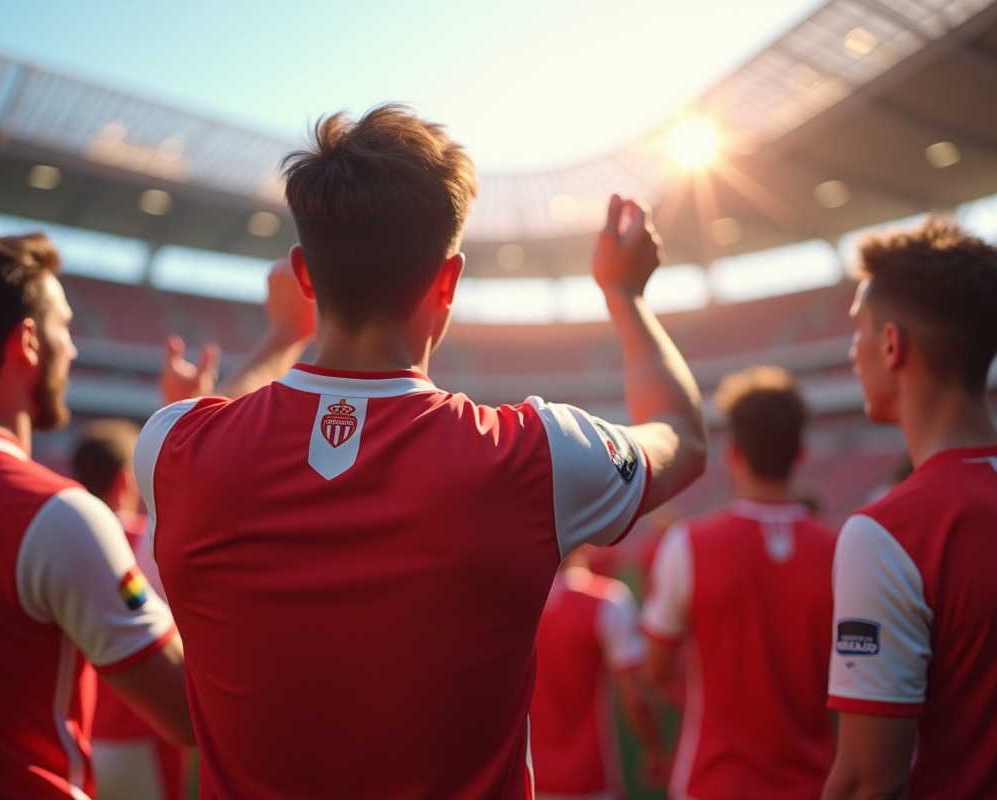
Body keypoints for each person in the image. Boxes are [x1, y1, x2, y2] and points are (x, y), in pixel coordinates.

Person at [134, 104, 708, 799]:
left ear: (305, 276)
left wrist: (279, 338)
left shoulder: (171, 448)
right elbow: (682, 433)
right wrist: (625, 295)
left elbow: (216, 413)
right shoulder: (533, 456)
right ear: (450, 281)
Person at [0, 233, 194, 799]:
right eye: (64, 327)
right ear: (28, 342)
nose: (74, 349)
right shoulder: (55, 514)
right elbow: (186, 710)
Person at [823, 217, 997, 799]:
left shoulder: (887, 534)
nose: (852, 351)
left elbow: (868, 783)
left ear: (892, 345)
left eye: (859, 331)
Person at [642, 365, 836, 800]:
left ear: (733, 452)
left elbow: (656, 670)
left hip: (711, 783)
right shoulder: (844, 549)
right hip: (817, 785)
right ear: (800, 452)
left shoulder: (687, 544)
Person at [74, 419, 187, 800]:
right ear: (125, 478)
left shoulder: (59, 538)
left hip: (80, 736)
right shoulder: (149, 540)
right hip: (147, 733)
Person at [530, 546, 665, 800]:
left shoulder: (515, 600)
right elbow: (636, 699)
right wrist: (657, 751)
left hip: (527, 779)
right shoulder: (607, 599)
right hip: (589, 779)